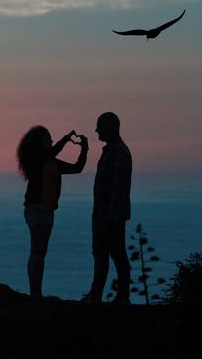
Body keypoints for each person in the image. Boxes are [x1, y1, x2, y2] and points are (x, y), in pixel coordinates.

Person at [17, 126, 88, 298]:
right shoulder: (36, 160)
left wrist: (84, 149)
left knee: (38, 252)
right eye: (47, 139)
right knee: (38, 252)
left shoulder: (51, 162)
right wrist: (65, 139)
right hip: (37, 208)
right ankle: (36, 293)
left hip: (46, 210)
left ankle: (35, 292)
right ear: (38, 144)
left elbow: (77, 168)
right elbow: (51, 153)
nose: (51, 141)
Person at [81, 112, 132, 304]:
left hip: (111, 214)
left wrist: (111, 215)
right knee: (101, 253)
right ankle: (96, 294)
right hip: (102, 213)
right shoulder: (112, 150)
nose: (96, 130)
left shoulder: (119, 151)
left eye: (99, 126)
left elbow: (119, 186)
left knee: (117, 252)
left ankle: (122, 295)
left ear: (110, 127)